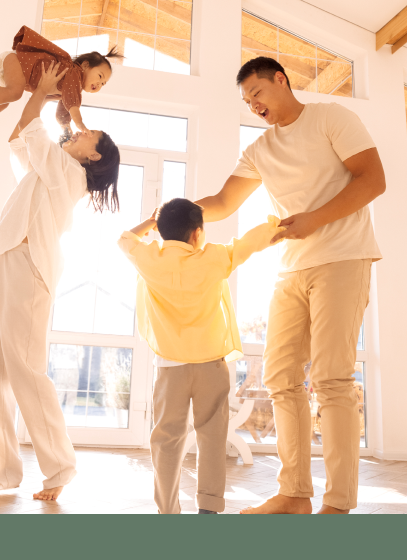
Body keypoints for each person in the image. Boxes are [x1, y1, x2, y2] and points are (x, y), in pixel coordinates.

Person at [195, 56, 385, 515]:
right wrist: (172, 212)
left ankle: (338, 505)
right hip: (291, 268)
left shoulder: (330, 118)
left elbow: (374, 179)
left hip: (342, 257)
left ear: (280, 80)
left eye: (257, 93)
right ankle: (295, 493)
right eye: (246, 101)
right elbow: (222, 201)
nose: (253, 105)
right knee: (280, 377)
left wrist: (314, 220)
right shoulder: (260, 149)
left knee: (332, 378)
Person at [0, 61, 121, 502]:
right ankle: (0, 473)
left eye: (88, 136)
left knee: (26, 372)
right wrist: (41, 96)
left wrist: (44, 91)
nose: (79, 132)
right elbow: (19, 137)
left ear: (92, 157)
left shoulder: (68, 173)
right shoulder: (49, 167)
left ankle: (59, 468)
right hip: (3, 255)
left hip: (29, 267)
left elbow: (31, 128)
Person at [118, 198, 283, 514]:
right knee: (212, 436)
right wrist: (275, 226)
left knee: (166, 441)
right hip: (211, 366)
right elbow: (249, 243)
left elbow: (124, 239)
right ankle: (208, 508)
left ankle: (167, 509)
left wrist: (152, 222)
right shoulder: (214, 258)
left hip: (170, 368)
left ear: (162, 230)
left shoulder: (149, 258)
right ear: (197, 233)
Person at [0, 25, 123, 150]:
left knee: (3, 101)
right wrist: (79, 123)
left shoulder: (69, 88)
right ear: (86, 65)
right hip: (15, 61)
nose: (99, 84)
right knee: (15, 92)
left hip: (11, 71)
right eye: (100, 76)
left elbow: (64, 109)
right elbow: (73, 104)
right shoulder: (74, 72)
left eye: (103, 84)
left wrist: (65, 125)